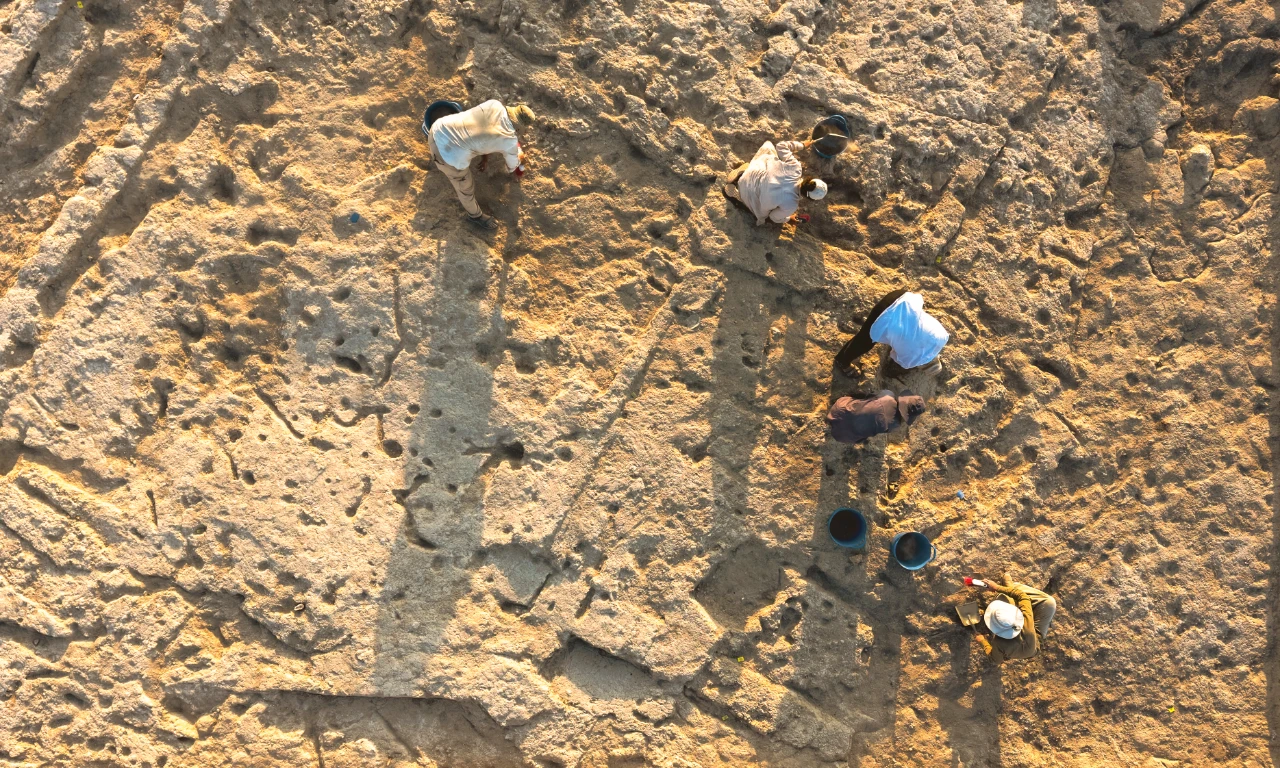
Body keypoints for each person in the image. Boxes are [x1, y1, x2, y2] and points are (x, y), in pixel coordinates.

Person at [425, 100, 536, 230]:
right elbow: (512, 167)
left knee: (470, 130)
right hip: (448, 157)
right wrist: (518, 156)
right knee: (465, 188)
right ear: (518, 128)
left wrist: (485, 159)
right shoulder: (509, 142)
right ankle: (475, 216)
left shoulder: (494, 104)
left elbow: (482, 130)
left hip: (437, 129)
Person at [834, 290, 948, 378]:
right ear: (922, 367)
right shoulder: (910, 361)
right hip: (882, 316)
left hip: (902, 297)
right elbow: (893, 354)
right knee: (865, 342)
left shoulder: (942, 338)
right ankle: (843, 360)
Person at [723, 140, 827, 226]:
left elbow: (781, 146)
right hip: (748, 193)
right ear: (809, 198)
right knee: (763, 216)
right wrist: (788, 218)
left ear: (810, 180)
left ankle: (744, 171)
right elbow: (774, 217)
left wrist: (802, 145)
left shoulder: (796, 167)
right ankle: (738, 196)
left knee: (768, 147)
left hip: (754, 172)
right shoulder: (791, 205)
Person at [974, 576, 1057, 662]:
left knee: (1002, 597)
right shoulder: (1026, 619)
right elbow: (1022, 596)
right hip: (1036, 637)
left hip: (1030, 645)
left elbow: (995, 660)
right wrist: (996, 587)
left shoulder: (999, 644)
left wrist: (982, 641)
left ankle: (1009, 589)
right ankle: (1010, 587)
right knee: (1049, 603)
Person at [826, 389, 925, 444]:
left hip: (838, 410)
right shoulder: (894, 425)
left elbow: (868, 395)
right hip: (843, 436)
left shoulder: (888, 395)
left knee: (862, 398)